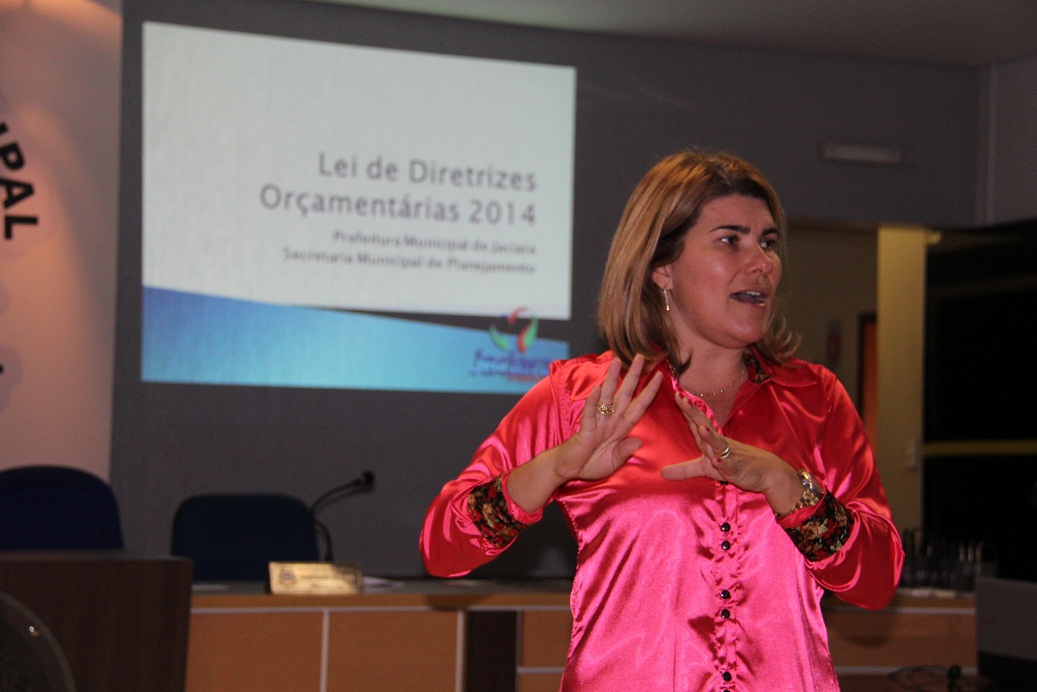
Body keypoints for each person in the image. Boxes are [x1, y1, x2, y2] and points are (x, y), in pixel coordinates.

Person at [420, 150, 904, 691]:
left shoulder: (816, 399)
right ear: (662, 267)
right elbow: (443, 547)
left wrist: (786, 485)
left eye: (767, 243)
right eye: (731, 240)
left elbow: (877, 582)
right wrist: (554, 467)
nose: (761, 262)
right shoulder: (583, 396)